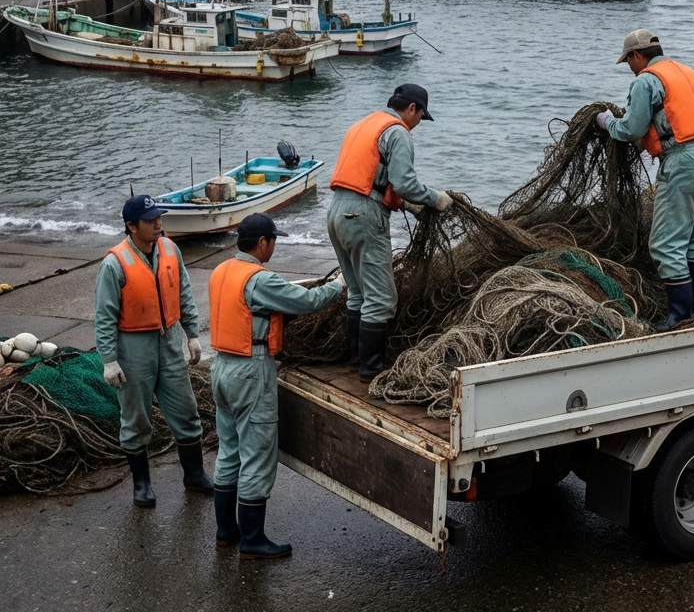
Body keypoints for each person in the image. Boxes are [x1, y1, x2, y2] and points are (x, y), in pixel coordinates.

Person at [208, 212, 346, 559]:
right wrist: (340, 285)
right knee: (256, 454)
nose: (274, 246)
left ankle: (226, 532)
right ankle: (252, 541)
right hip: (250, 369)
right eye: (274, 241)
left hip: (221, 366)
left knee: (229, 451)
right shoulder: (259, 279)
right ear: (263, 243)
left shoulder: (221, 271)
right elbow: (308, 302)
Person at [596, 29, 694, 331]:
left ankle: (679, 318)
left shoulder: (646, 80)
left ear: (637, 55)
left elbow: (631, 128)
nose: (629, 66)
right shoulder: (686, 73)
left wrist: (606, 121)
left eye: (628, 60)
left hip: (683, 163)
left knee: (665, 245)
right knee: (691, 237)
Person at [327, 83, 452, 383]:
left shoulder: (365, 124)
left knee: (358, 292)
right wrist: (435, 198)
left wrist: (408, 205)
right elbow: (404, 181)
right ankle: (371, 370)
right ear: (412, 109)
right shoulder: (398, 132)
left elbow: (372, 179)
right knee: (382, 298)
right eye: (421, 115)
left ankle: (356, 359)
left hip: (336, 213)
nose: (420, 122)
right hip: (363, 217)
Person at [94, 194, 213, 507]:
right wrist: (109, 360)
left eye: (159, 217)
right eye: (151, 220)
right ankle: (142, 484)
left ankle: (194, 474)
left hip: (170, 340)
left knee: (187, 411)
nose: (159, 224)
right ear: (131, 226)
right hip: (133, 348)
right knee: (135, 419)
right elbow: (104, 317)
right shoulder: (114, 263)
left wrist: (192, 334)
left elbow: (184, 292)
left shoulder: (170, 249)